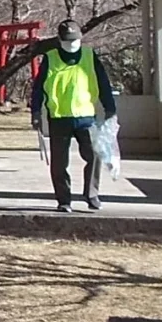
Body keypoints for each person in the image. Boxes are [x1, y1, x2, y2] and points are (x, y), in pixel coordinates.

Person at [30, 18, 118, 213]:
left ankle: (92, 194)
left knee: (94, 155)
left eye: (75, 40)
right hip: (59, 117)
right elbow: (38, 89)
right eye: (68, 40)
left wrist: (110, 107)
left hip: (86, 116)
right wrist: (35, 112)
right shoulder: (50, 58)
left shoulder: (89, 56)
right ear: (60, 40)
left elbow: (103, 83)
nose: (72, 44)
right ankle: (63, 199)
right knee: (59, 162)